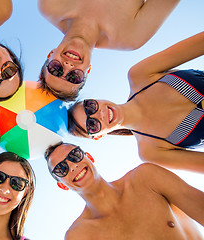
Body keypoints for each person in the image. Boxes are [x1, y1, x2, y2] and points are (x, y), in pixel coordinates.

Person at [67, 31, 204, 173]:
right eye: (92, 124)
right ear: (99, 136)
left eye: (90, 107)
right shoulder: (151, 151)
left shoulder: (140, 74)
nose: (99, 114)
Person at [44, 142, 204, 239]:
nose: (72, 166)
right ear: (62, 185)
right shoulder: (80, 235)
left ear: (89, 157)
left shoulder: (146, 178)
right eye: (61, 169)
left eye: (74, 155)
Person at [37, 0, 180, 101]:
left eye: (56, 69)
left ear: (50, 54)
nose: (68, 66)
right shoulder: (131, 37)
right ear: (88, 70)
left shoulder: (51, 6)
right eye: (74, 77)